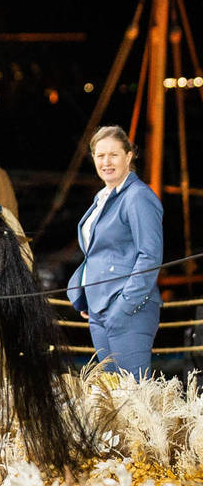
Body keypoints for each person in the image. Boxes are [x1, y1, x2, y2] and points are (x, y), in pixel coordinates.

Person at [68, 126, 164, 377]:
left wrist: (124, 306)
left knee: (134, 393)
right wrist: (88, 294)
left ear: (129, 156)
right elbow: (98, 253)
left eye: (114, 155)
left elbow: (150, 256)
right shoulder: (101, 197)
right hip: (99, 309)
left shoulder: (138, 196)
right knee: (112, 391)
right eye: (100, 156)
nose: (106, 162)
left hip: (129, 309)